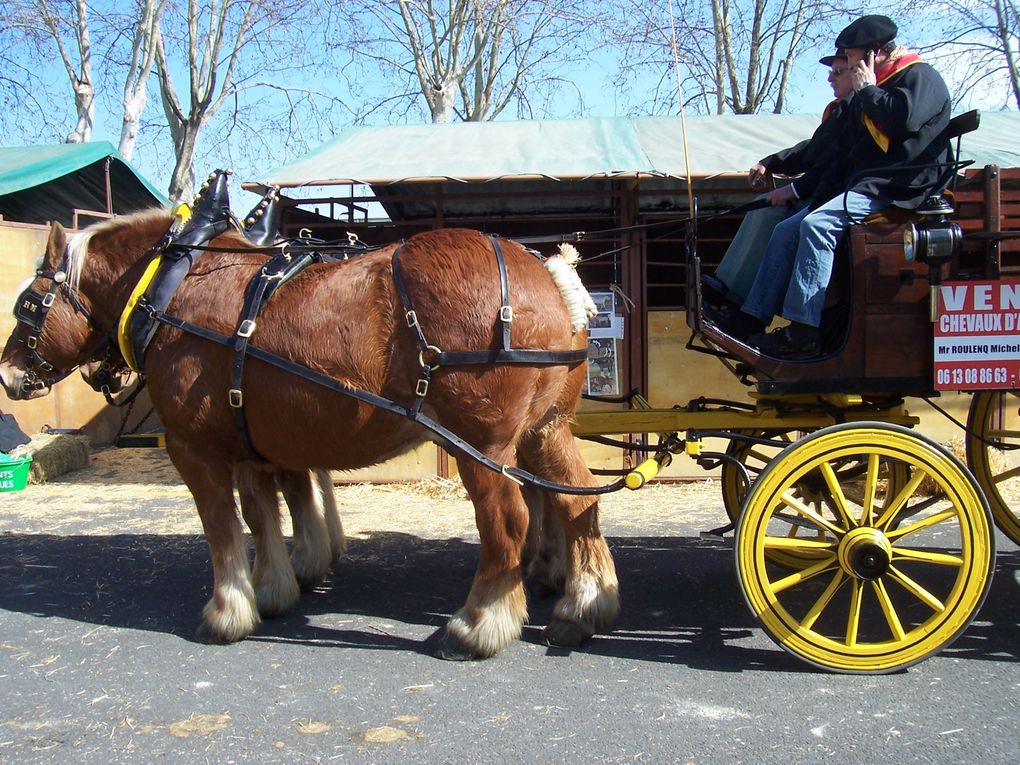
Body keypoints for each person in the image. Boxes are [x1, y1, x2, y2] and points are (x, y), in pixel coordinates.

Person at [725, 15, 952, 358]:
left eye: (849, 56)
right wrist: (775, 162)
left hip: (901, 187)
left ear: (873, 53)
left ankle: (803, 332)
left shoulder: (919, 76)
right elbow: (829, 145)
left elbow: (901, 120)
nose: (844, 64)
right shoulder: (873, 88)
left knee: (817, 225)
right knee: (788, 229)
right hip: (871, 185)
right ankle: (751, 319)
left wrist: (867, 89)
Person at [709, 53, 856, 308]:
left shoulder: (857, 111)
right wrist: (770, 162)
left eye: (838, 72)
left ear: (858, 73)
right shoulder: (839, 110)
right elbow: (813, 150)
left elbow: (834, 163)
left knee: (777, 219)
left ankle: (747, 303)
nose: (830, 78)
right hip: (821, 192)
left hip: (836, 197)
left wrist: (795, 190)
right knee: (764, 208)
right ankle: (730, 288)